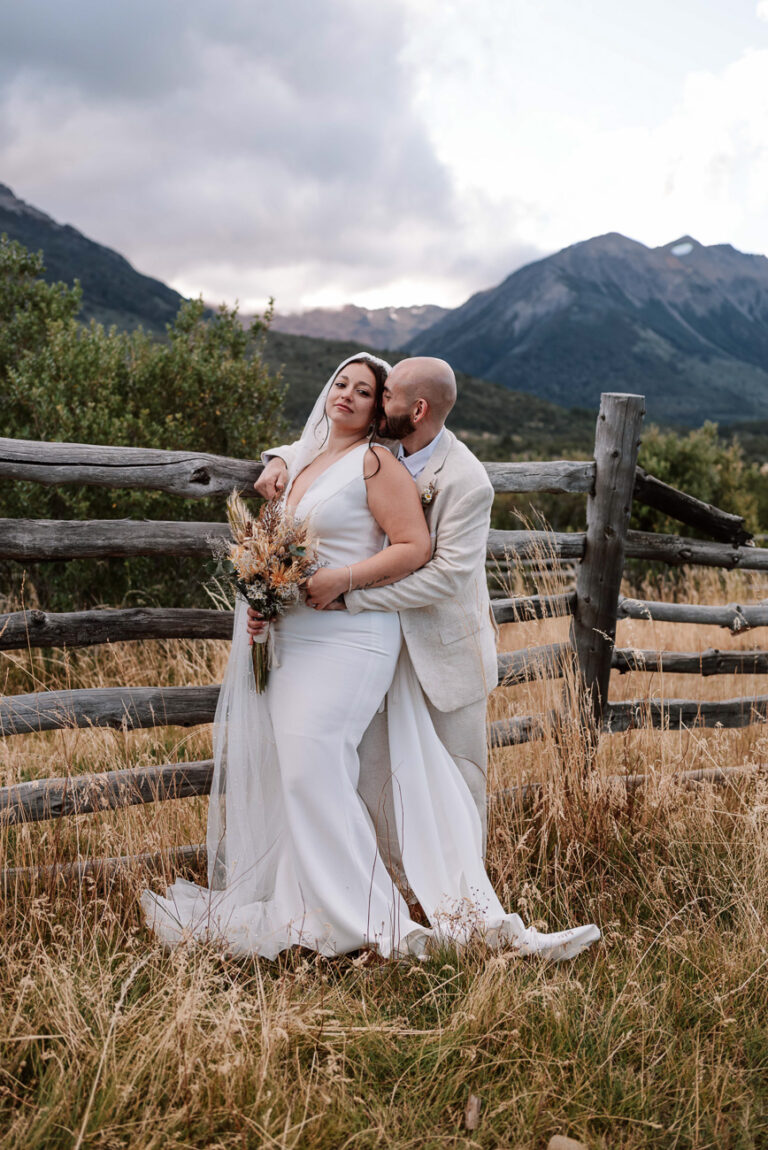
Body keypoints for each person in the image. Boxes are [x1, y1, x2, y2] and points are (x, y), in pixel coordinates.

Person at [141, 353, 600, 961]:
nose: (359, 398)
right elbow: (308, 468)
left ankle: (414, 917)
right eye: (344, 385)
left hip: (408, 643)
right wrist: (267, 596)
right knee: (335, 777)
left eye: (373, 393)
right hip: (307, 638)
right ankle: (316, 907)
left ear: (412, 409)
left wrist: (347, 589)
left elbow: (436, 567)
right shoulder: (327, 456)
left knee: (444, 784)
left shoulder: (441, 473)